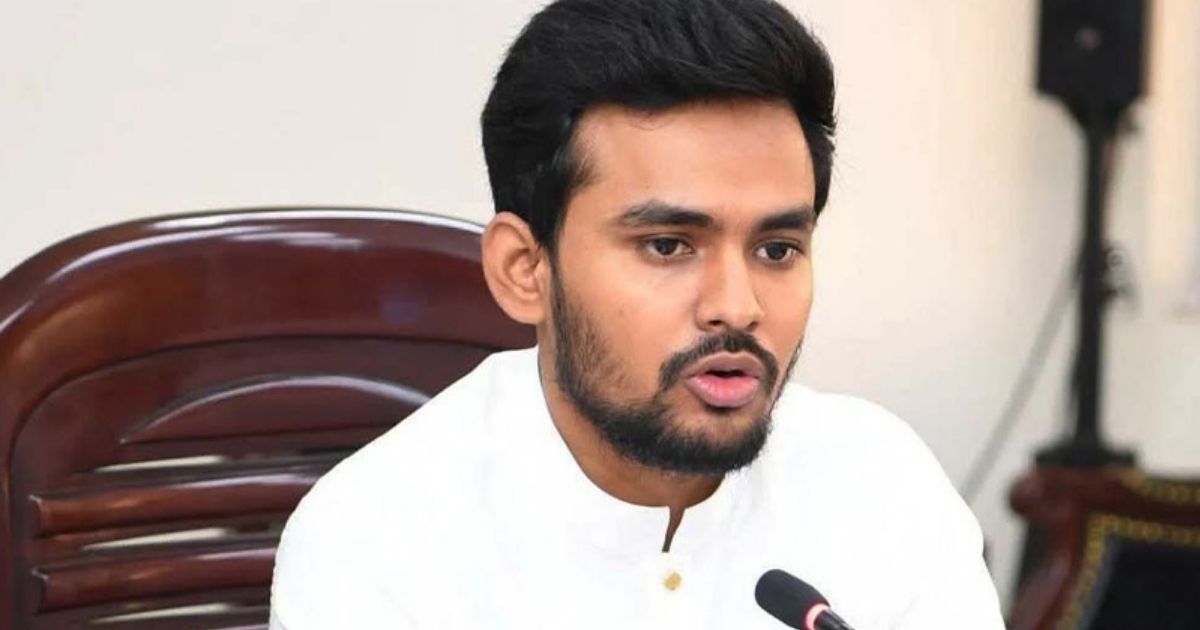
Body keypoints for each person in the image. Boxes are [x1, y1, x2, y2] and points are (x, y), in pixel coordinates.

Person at [269, 0, 1005, 627]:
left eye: (777, 249)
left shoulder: (883, 482)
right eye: (667, 246)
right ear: (525, 270)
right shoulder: (377, 542)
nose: (737, 307)